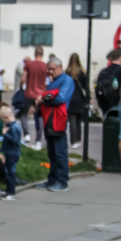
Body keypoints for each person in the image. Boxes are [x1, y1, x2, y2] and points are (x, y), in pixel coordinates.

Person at [36, 56, 74, 191]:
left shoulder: (67, 80)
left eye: (52, 69)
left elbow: (61, 98)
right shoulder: (53, 83)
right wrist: (46, 98)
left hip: (58, 120)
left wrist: (45, 99)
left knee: (60, 152)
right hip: (49, 120)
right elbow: (49, 96)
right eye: (49, 69)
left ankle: (62, 181)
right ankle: (52, 180)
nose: (50, 72)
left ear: (60, 67)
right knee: (52, 152)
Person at [21, 46, 48, 148]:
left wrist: (20, 87)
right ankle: (38, 140)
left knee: (24, 114)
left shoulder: (29, 64)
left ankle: (27, 134)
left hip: (29, 93)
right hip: (40, 95)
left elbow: (23, 78)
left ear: (34, 53)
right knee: (39, 117)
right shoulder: (45, 66)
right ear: (43, 54)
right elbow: (47, 82)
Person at [0, 104, 23, 201]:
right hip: (10, 152)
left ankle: (11, 193)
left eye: (2, 120)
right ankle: (8, 190)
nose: (3, 122)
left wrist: (5, 134)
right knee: (8, 171)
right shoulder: (12, 126)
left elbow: (14, 140)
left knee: (10, 172)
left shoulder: (14, 127)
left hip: (13, 153)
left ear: (6, 117)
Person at [65, 53, 89, 149]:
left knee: (72, 121)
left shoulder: (67, 72)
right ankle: (78, 139)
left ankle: (73, 140)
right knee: (78, 121)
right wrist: (88, 99)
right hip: (80, 99)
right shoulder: (82, 72)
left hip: (70, 99)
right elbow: (86, 87)